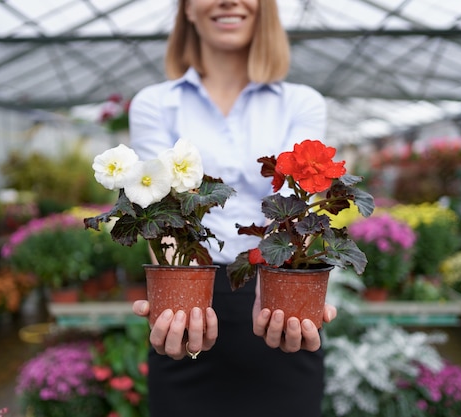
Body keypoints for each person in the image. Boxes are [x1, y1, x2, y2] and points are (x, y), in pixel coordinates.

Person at [128, 1, 337, 416]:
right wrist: (178, 292)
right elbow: (156, 207)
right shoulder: (155, 103)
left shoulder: (300, 102)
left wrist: (280, 278)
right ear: (187, 9)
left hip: (279, 299)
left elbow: (303, 199)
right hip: (187, 304)